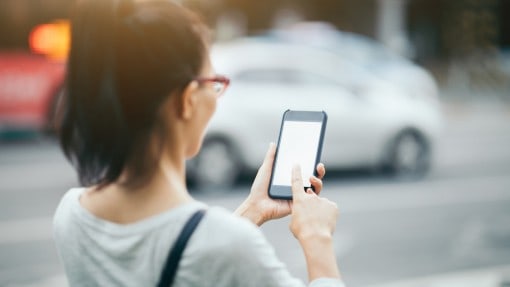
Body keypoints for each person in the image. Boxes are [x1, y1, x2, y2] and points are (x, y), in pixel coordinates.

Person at [53, 0, 345, 286]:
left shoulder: (71, 215)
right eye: (215, 83)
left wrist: (254, 209)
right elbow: (206, 250)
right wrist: (316, 235)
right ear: (188, 100)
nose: (218, 96)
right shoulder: (230, 245)